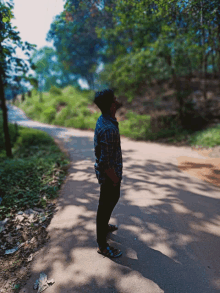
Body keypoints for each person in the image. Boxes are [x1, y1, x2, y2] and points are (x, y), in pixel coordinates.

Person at [94, 89, 123, 258]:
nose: (117, 100)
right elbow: (105, 162)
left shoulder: (105, 120)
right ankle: (102, 246)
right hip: (110, 175)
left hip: (109, 173)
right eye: (115, 99)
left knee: (110, 201)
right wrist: (114, 179)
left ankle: (104, 227)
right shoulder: (109, 129)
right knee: (105, 207)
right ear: (112, 105)